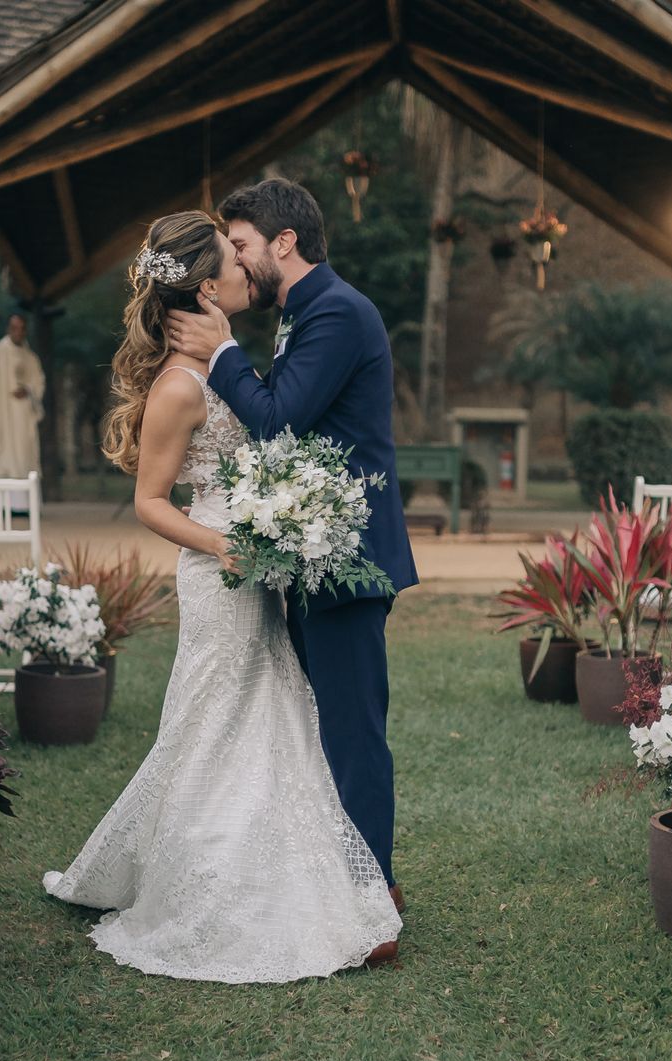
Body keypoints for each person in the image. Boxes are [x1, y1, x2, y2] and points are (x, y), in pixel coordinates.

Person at [41, 210, 400, 982]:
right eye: (233, 259)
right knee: (209, 719)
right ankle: (199, 876)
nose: (245, 268)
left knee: (267, 716)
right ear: (209, 286)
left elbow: (275, 432)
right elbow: (150, 501)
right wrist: (224, 544)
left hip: (259, 572)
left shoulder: (224, 364)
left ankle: (293, 867)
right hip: (219, 570)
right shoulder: (178, 385)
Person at [164, 177, 419, 952]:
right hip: (312, 554)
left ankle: (374, 900)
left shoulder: (336, 311)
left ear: (283, 243)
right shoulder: (305, 313)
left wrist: (221, 352)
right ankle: (340, 879)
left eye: (239, 245)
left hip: (346, 561)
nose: (233, 264)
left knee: (350, 730)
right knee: (320, 726)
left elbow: (277, 419)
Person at [0, 313, 45, 501]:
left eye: (22, 328)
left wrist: (28, 391)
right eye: (14, 328)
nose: (18, 332)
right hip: (3, 415)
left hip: (24, 416)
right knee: (5, 454)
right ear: (8, 329)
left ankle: (26, 506)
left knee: (26, 455)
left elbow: (38, 383)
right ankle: (5, 505)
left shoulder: (31, 358)